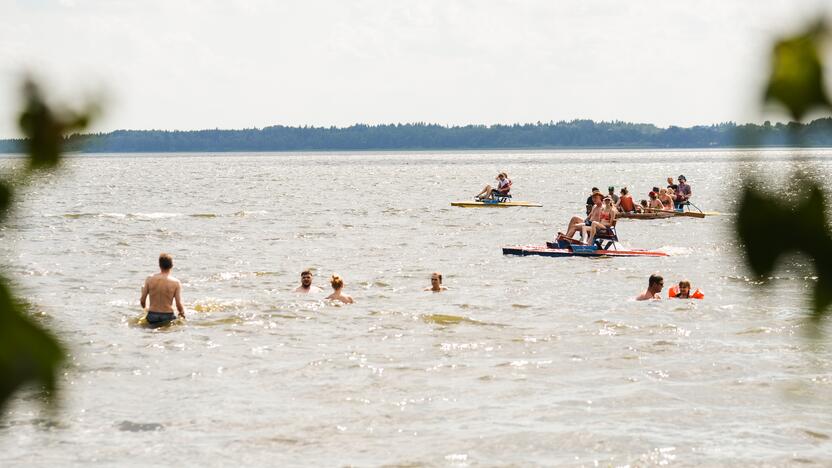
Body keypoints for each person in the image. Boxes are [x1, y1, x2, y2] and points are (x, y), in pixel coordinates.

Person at [140, 253, 185, 326]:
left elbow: (142, 301)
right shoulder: (176, 282)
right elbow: (178, 304)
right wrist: (182, 313)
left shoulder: (149, 279)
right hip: (168, 316)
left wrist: (145, 309)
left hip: (152, 316)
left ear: (159, 265)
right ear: (171, 266)